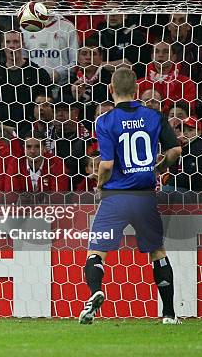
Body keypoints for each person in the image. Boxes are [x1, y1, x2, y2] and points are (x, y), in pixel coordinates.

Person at [78, 67, 182, 325]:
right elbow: (176, 151)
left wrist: (100, 187)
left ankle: (95, 293)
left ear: (110, 89)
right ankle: (169, 314)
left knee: (96, 251)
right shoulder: (154, 116)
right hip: (145, 196)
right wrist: (156, 169)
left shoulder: (104, 121)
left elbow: (106, 165)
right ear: (136, 90)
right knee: (157, 252)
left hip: (115, 197)